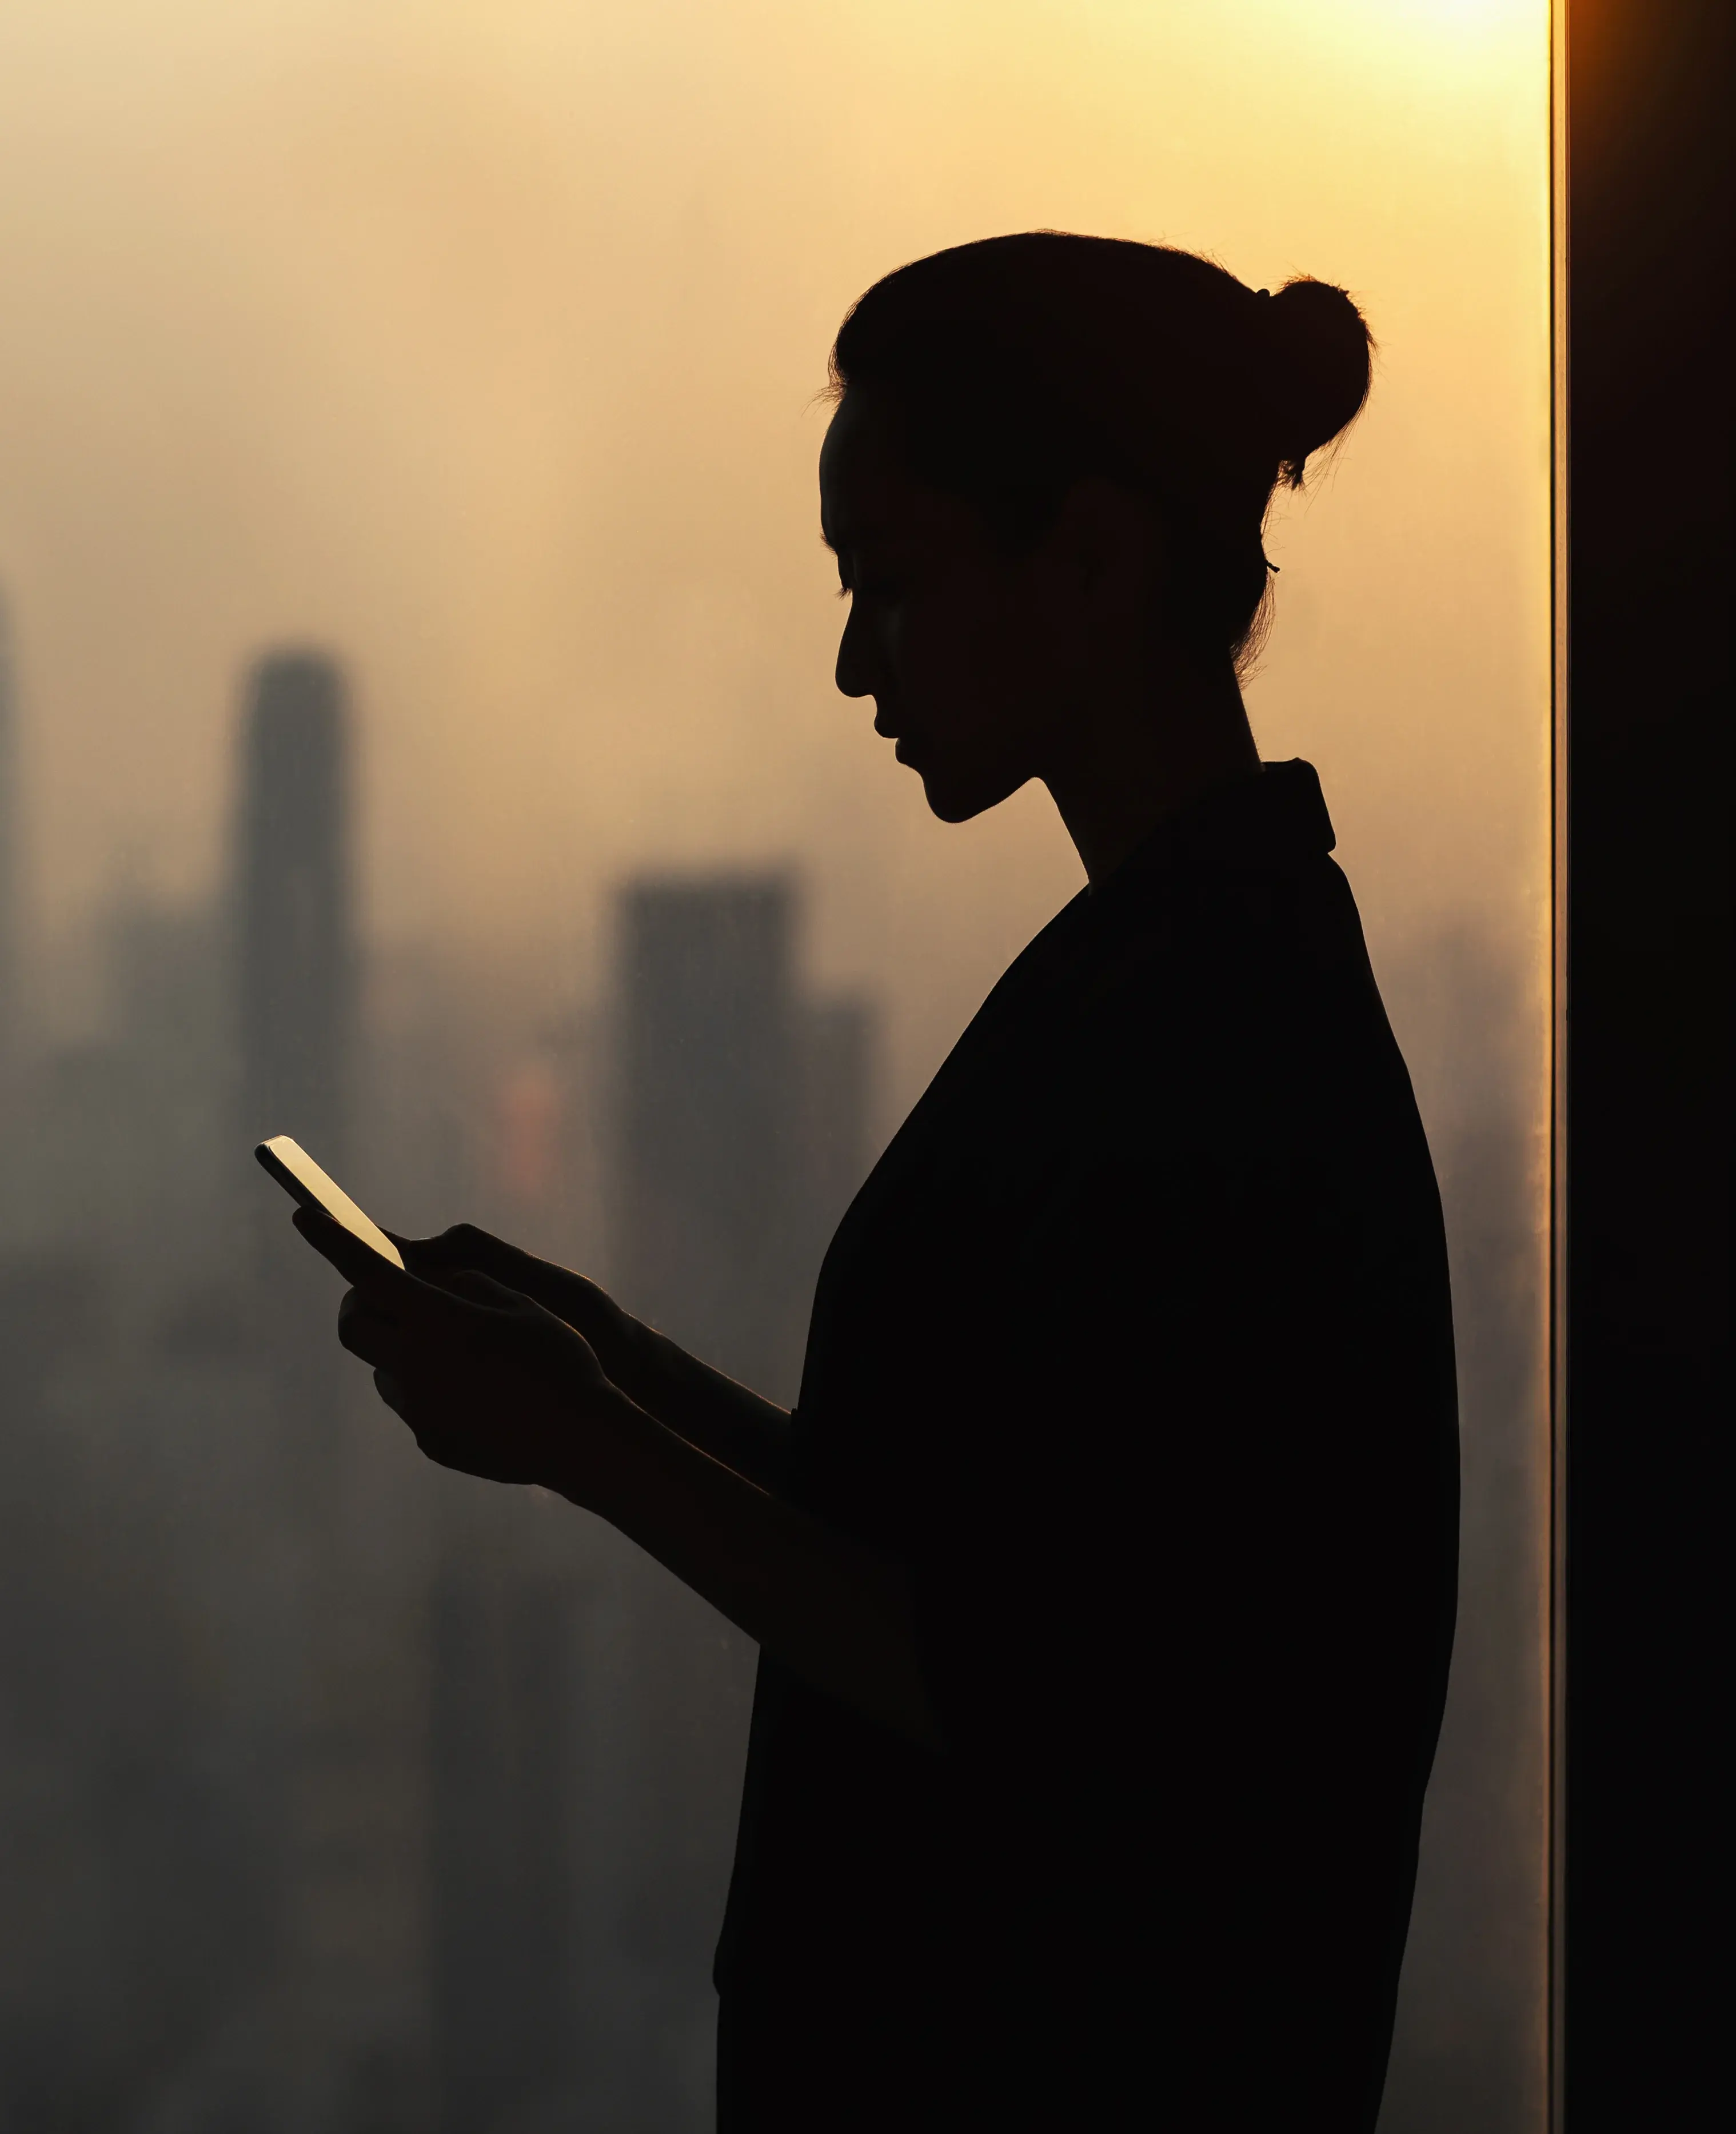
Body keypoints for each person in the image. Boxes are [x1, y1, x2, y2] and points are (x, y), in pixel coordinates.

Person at [303, 232, 1458, 2131]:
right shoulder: (1176, 978)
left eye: (895, 587)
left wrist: (590, 1437)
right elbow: (995, 1565)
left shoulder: (1207, 1041)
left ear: (1089, 561)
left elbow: (1031, 1692)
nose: (854, 660)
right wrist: (612, 1367)